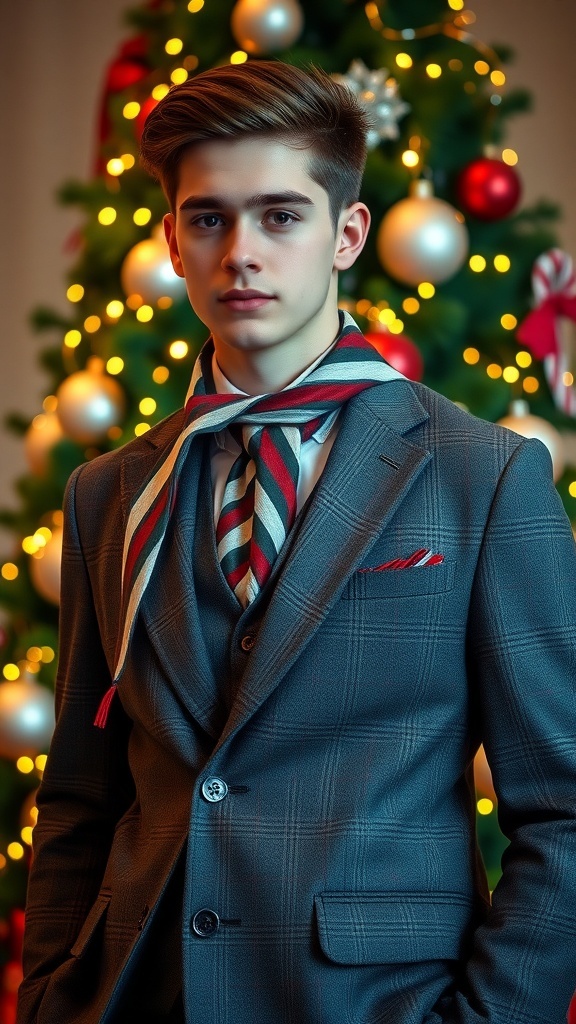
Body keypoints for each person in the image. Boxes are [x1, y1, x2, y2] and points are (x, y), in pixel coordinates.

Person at [17, 60, 576, 1024]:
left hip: (373, 1001)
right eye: (209, 218)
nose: (242, 252)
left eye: (281, 216)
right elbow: (77, 799)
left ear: (347, 233)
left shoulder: (480, 476)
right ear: (173, 242)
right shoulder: (109, 492)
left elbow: (565, 809)